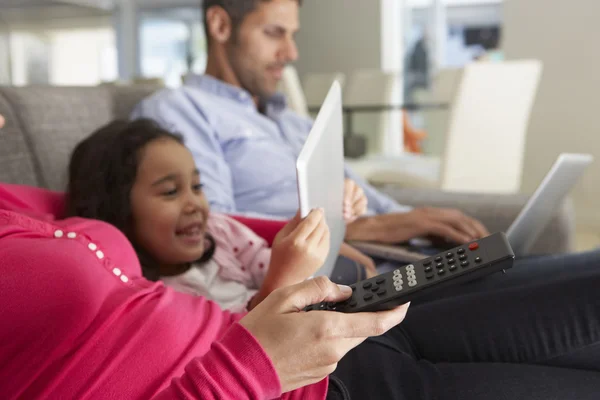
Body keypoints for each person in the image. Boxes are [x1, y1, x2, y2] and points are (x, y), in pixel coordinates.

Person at [2, 112, 600, 399]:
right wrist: (254, 361)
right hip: (295, 375)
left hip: (339, 332)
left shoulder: (22, 208)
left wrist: (344, 224)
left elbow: (115, 210)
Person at [131, 0, 491, 247]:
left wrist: (422, 223)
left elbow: (372, 200)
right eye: (274, 33)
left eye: (292, 35)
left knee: (531, 272)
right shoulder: (180, 110)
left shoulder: (293, 123)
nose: (291, 54)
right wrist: (370, 229)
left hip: (399, 261)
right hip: (340, 275)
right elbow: (215, 228)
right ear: (220, 25)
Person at [64, 119, 375, 311]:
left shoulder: (220, 231)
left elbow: (267, 263)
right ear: (117, 208)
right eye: (171, 192)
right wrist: (280, 282)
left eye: (197, 186)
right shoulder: (153, 297)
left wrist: (320, 227)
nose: (194, 204)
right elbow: (241, 345)